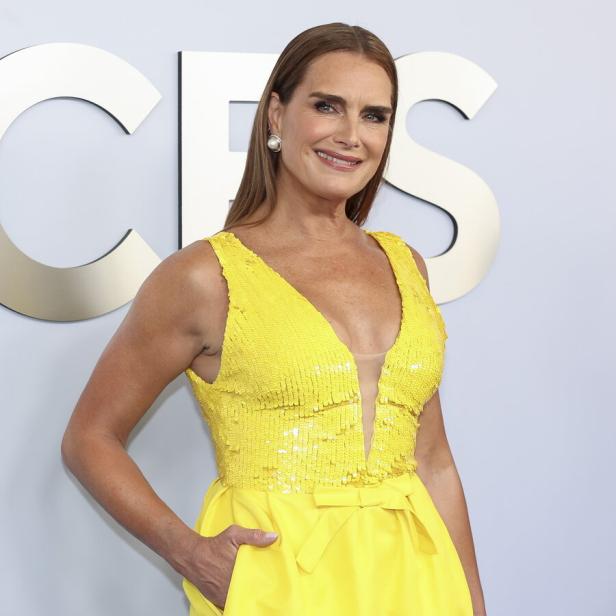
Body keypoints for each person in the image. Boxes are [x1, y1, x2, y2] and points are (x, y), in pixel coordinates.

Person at [61, 22, 487, 616]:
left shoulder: (405, 263)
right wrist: (189, 553)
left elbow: (434, 462)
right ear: (276, 115)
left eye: (374, 116)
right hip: (279, 583)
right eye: (327, 106)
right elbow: (89, 438)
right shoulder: (204, 277)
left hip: (417, 580)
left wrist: (472, 601)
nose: (350, 135)